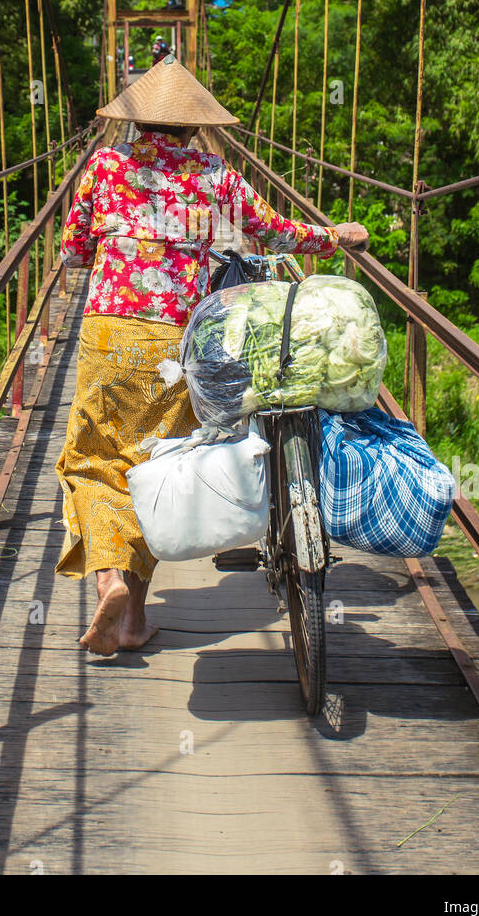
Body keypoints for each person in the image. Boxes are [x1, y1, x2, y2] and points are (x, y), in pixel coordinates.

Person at [54, 56, 370, 655]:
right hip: (176, 342)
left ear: (135, 120)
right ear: (195, 127)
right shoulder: (214, 173)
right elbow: (273, 232)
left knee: (95, 461)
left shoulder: (103, 164)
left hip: (107, 335)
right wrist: (337, 237)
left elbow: (74, 249)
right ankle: (132, 621)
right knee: (155, 463)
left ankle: (110, 581)